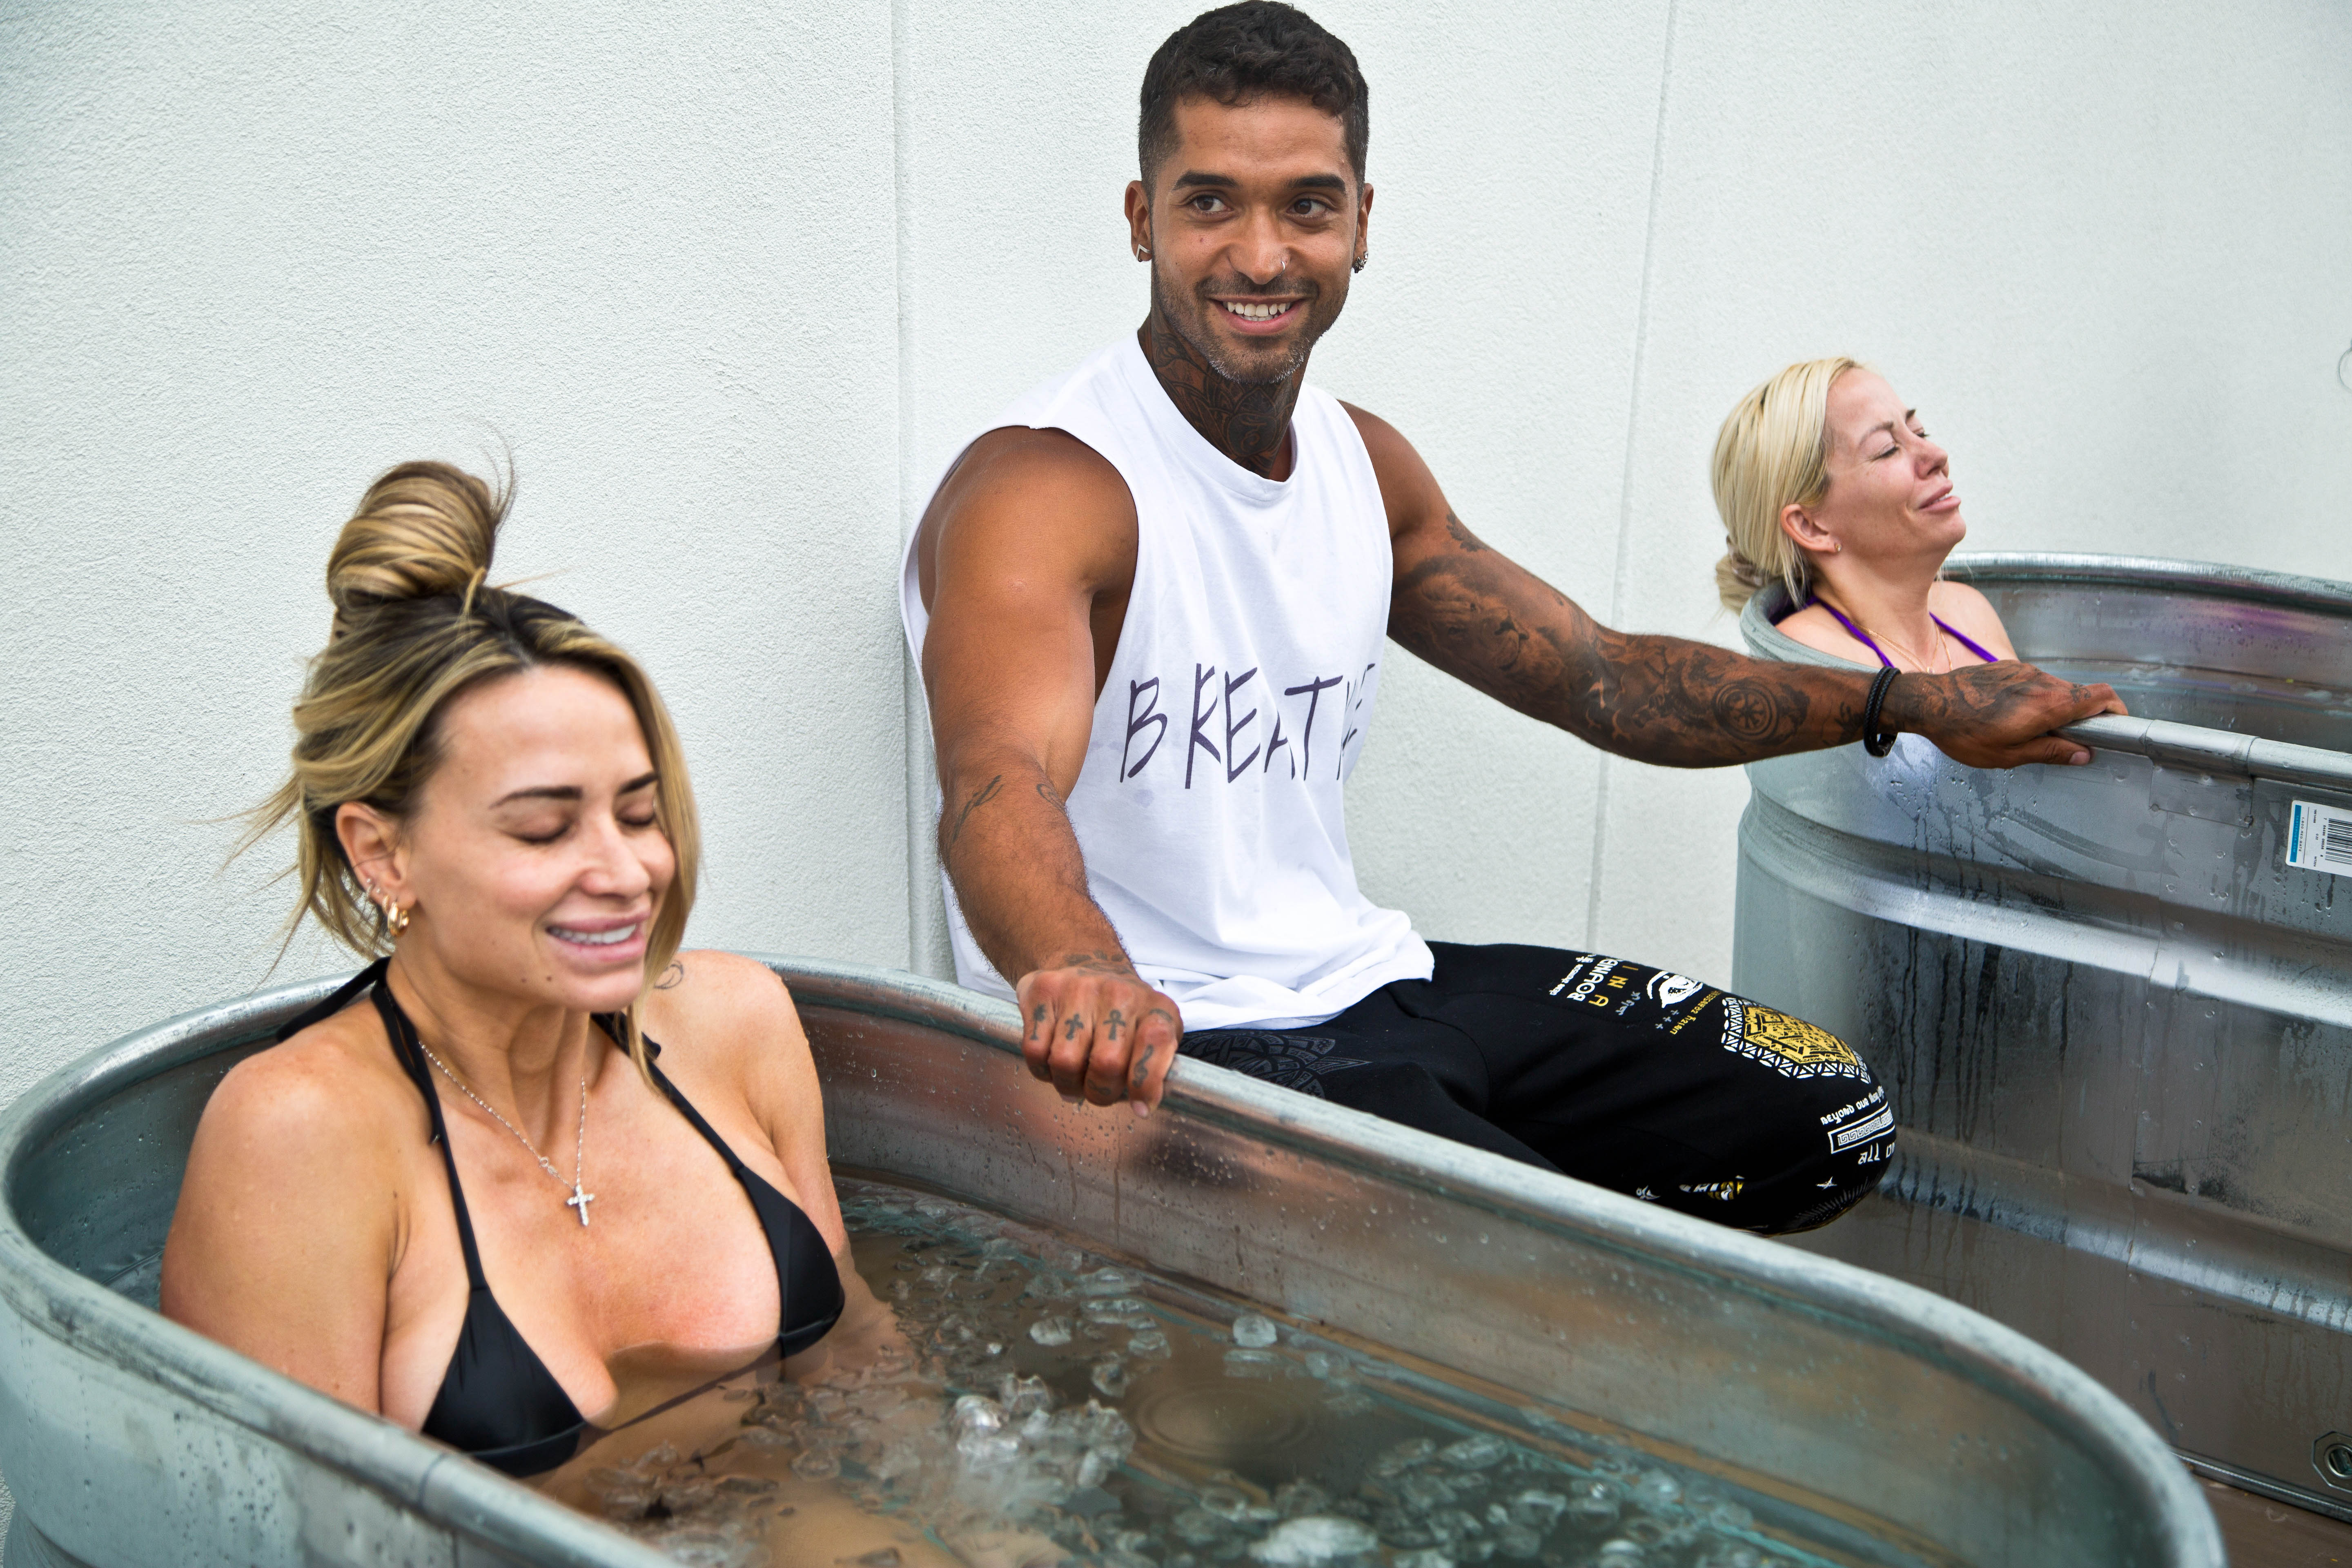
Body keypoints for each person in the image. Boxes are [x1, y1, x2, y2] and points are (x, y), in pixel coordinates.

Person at [902, 1, 2123, 1236]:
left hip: (1377, 984)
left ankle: (1454, 1273)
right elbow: (999, 781)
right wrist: (1091, 974)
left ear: (1363, 223)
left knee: (1825, 1113)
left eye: (1308, 206)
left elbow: (1593, 676)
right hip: (1188, 1036)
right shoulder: (1048, 485)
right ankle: (1466, 1275)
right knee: (1537, 1263)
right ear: (1140, 218)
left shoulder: (1362, 470)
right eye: (1210, 201)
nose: (1262, 256)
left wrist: (1907, 698)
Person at [161, 461, 882, 1481]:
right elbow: (295, 1534)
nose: (627, 870)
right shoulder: (301, 1133)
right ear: (382, 853)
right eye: (545, 829)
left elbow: (858, 1370)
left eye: (638, 812)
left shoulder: (736, 1024)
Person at [1713, 356, 2040, 674]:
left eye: (1920, 433)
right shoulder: (1809, 660)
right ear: (1811, 527)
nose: (1937, 455)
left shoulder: (1968, 611)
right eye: (1887, 449)